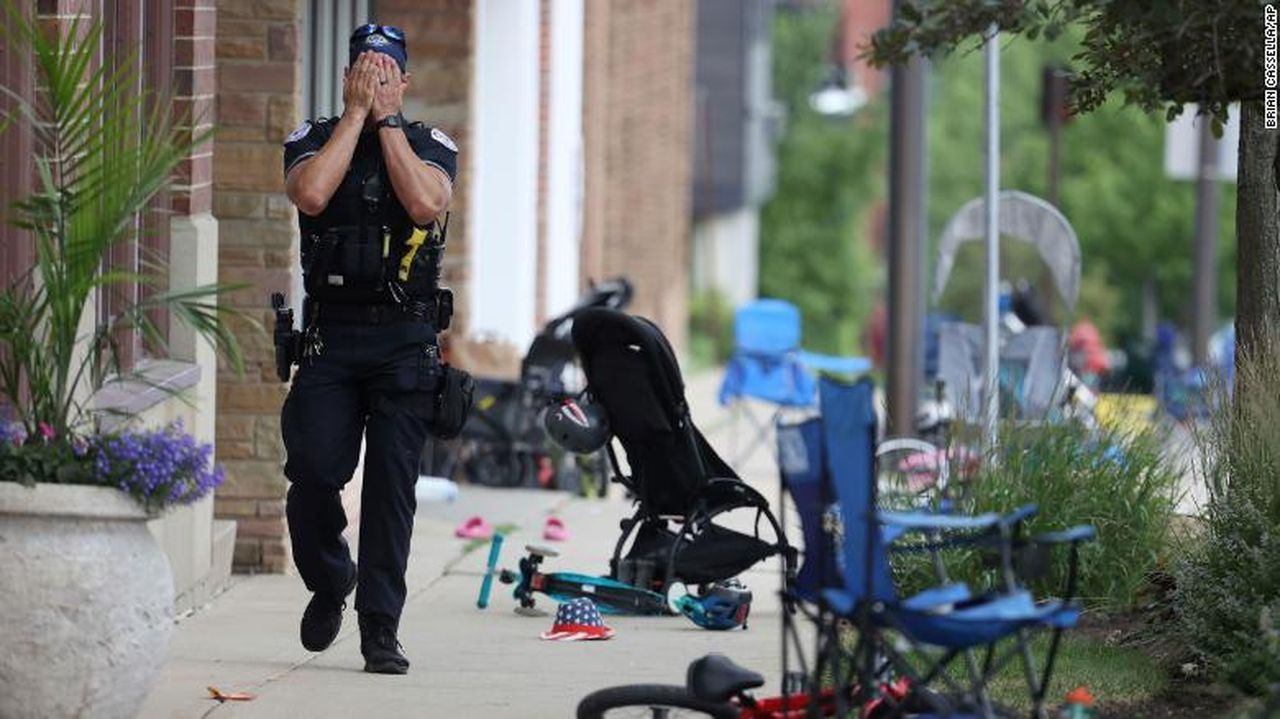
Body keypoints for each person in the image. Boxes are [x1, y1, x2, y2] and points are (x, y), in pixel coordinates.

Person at [279, 23, 457, 675]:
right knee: (313, 472)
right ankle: (331, 581)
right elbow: (312, 193)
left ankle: (381, 628)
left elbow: (422, 202)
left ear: (405, 81)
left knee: (390, 490)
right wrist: (355, 116)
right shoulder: (312, 138)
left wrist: (385, 122)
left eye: (387, 70)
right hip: (332, 336)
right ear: (348, 75)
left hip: (404, 340)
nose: (376, 77)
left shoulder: (428, 145)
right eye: (365, 68)